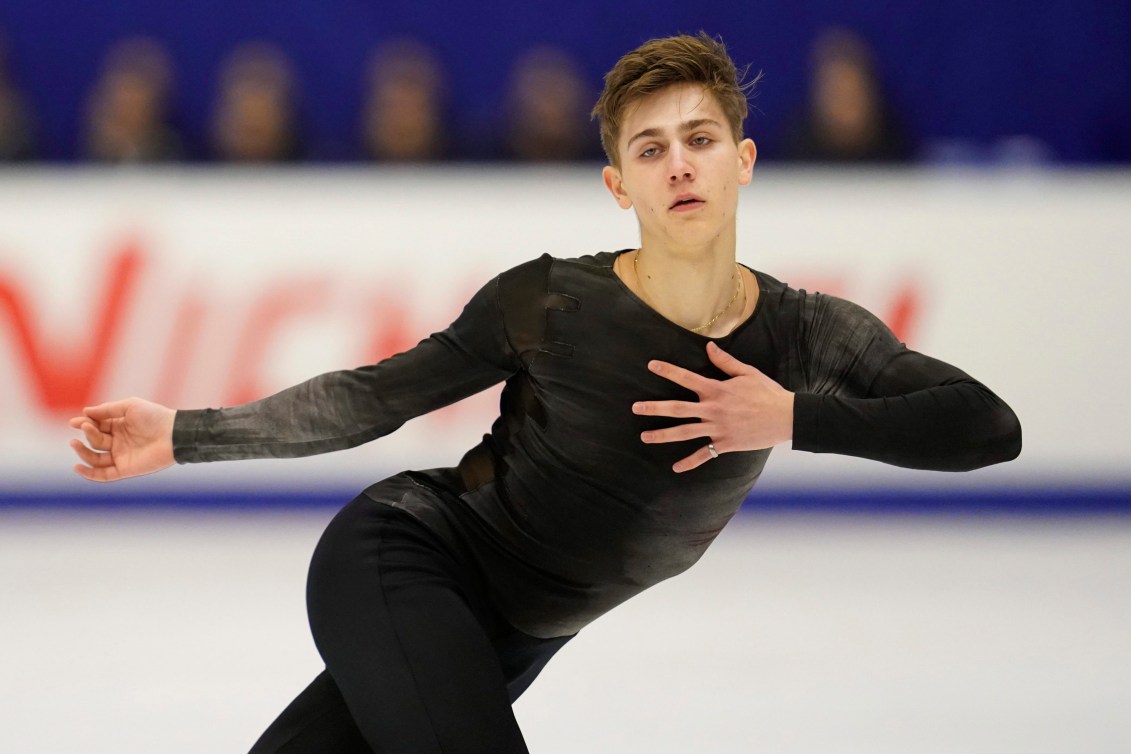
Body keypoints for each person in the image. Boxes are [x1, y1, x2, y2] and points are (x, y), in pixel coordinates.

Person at [69, 32, 1021, 753]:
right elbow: (375, 395)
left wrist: (789, 415)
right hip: (407, 560)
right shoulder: (554, 299)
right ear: (618, 184)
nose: (680, 163)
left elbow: (986, 426)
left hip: (515, 636)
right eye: (650, 150)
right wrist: (185, 433)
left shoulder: (808, 333)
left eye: (700, 137)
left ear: (744, 159)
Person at [779, 27, 915, 163]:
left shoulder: (895, 148)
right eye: (837, 95)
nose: (845, 106)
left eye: (852, 95)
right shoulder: (796, 150)